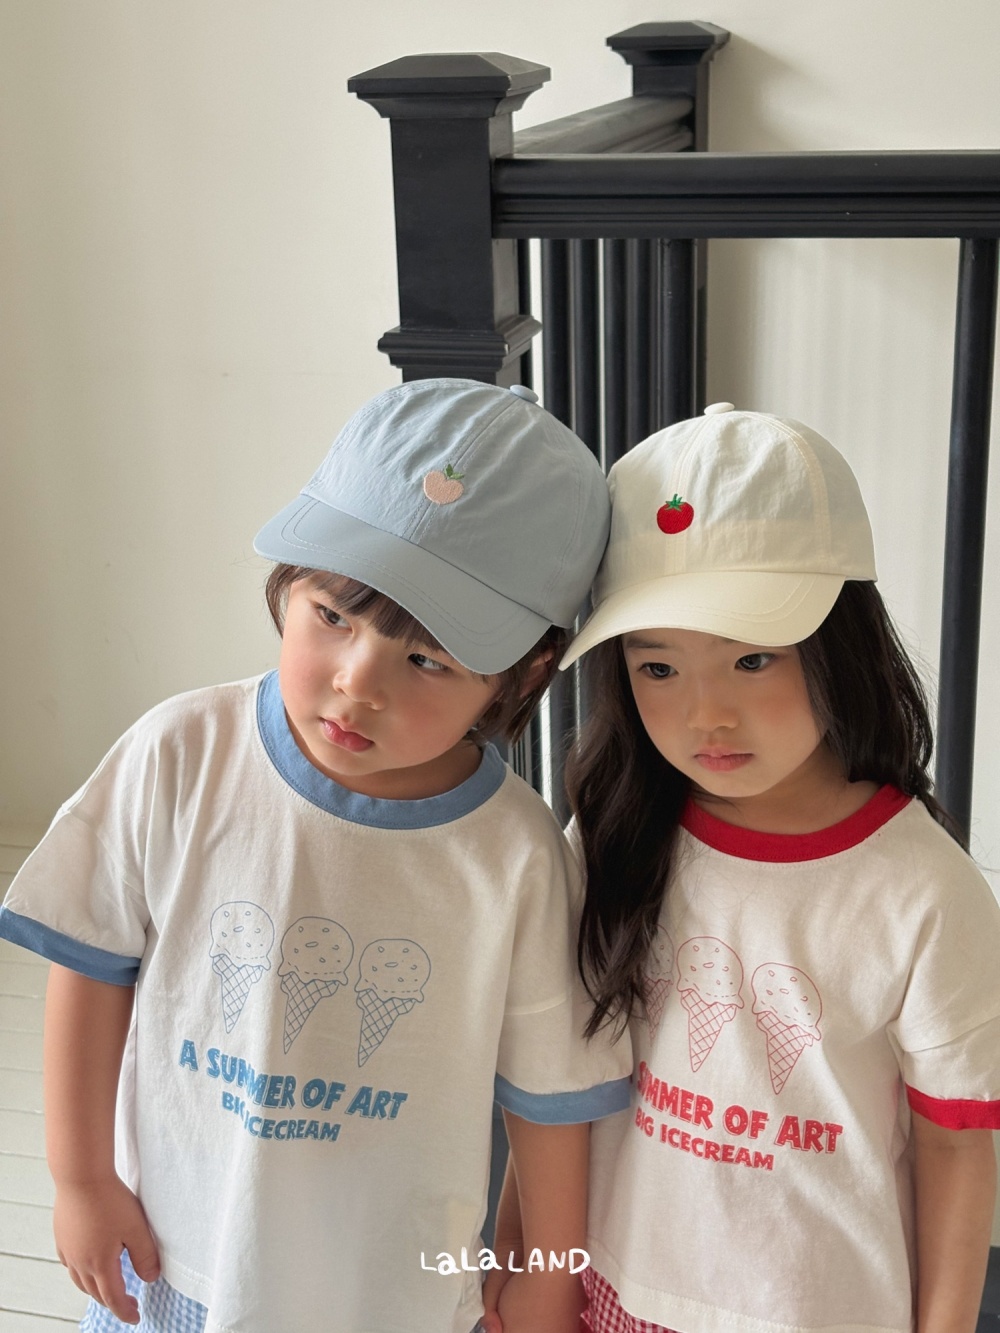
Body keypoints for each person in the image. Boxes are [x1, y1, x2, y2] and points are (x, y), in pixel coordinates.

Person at [0, 378, 632, 1333]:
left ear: (525, 672)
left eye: (428, 660)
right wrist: (82, 1178)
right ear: (292, 575)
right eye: (334, 614)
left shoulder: (515, 855)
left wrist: (547, 1270)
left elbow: (551, 1095)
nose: (356, 682)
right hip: (174, 1259)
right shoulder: (180, 755)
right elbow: (92, 966)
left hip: (390, 1295)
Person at [558, 403, 1000, 1333]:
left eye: (753, 658)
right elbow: (556, 1075)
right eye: (657, 668)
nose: (706, 715)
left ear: (843, 641)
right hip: (616, 1291)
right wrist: (529, 1270)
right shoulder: (615, 831)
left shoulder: (923, 890)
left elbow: (957, 1145)